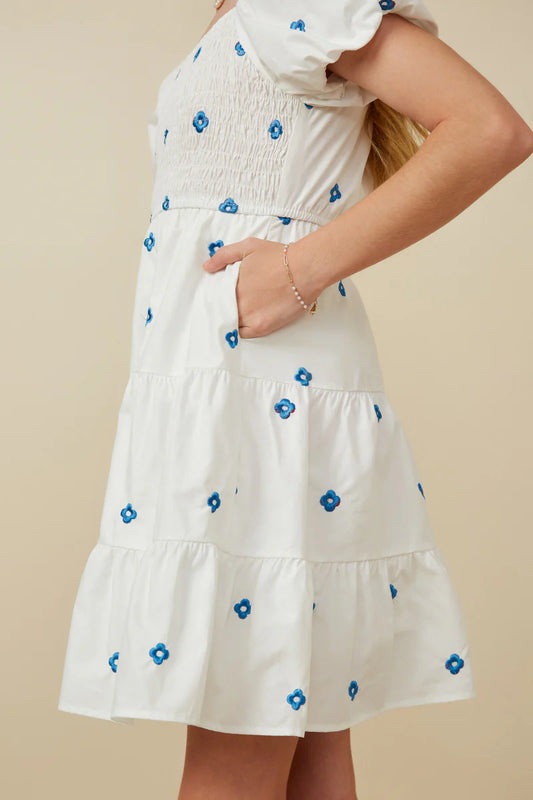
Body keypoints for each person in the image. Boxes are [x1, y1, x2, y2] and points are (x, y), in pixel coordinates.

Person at [58, 1, 533, 798]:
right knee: (302, 743)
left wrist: (297, 269)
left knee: (234, 756)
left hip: (257, 394)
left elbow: (490, 130)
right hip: (236, 389)